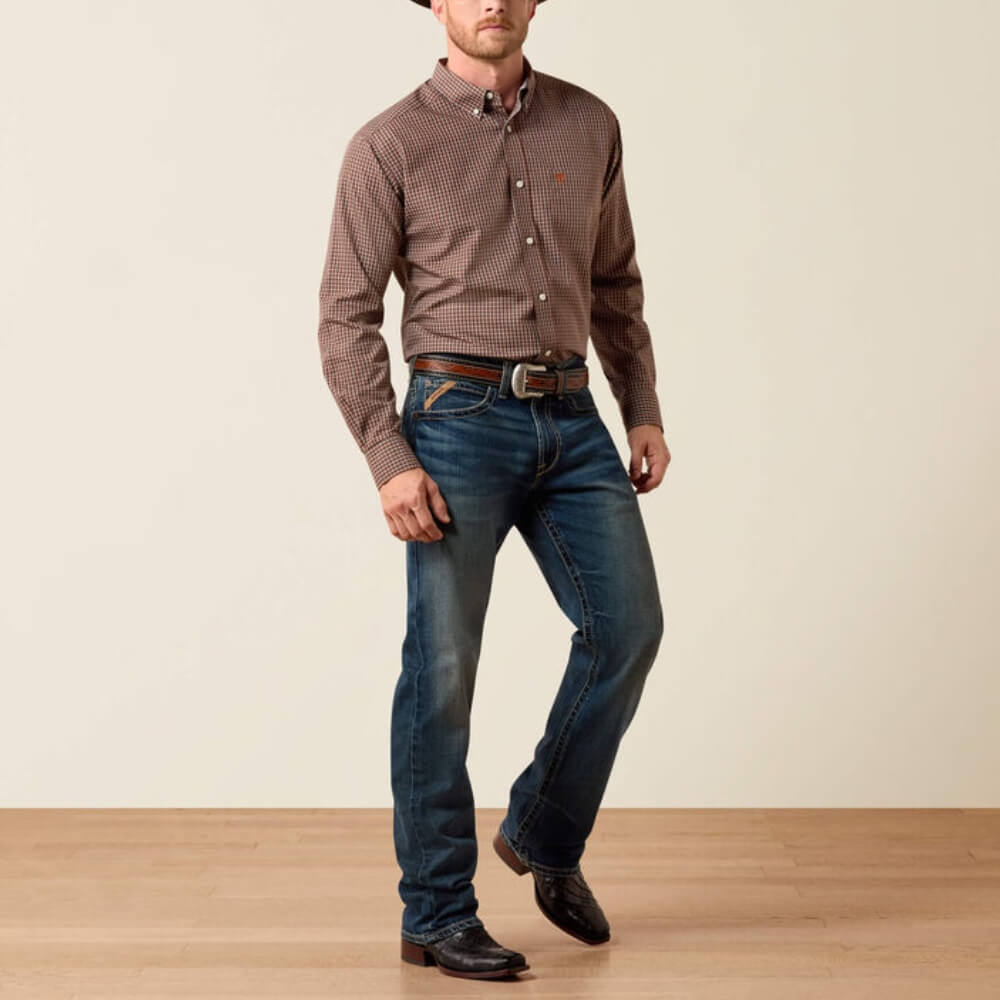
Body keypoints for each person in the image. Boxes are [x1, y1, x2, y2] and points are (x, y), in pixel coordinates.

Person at [317, 0, 670, 981]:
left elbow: (615, 282)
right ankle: (435, 912)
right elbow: (344, 315)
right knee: (442, 671)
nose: (492, 3)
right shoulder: (388, 144)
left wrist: (640, 407)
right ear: (435, 3)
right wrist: (388, 456)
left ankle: (544, 832)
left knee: (628, 629)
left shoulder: (589, 123)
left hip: (574, 416)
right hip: (454, 423)